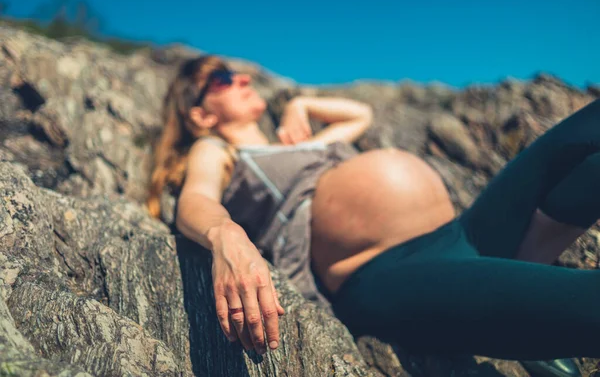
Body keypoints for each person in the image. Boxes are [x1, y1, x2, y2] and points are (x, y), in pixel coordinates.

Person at [147, 55, 599, 377]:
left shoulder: (294, 145)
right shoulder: (221, 150)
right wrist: (228, 238)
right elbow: (196, 199)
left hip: (464, 234)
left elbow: (359, 114)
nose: (243, 77)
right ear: (200, 113)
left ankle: (529, 287)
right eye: (223, 78)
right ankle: (534, 316)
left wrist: (300, 105)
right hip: (395, 274)